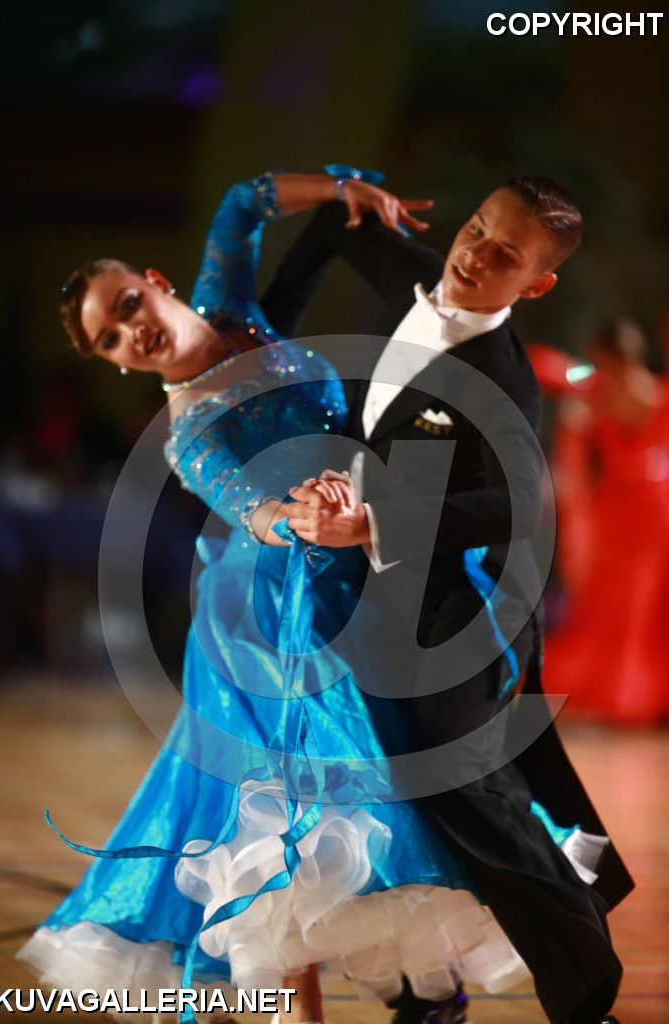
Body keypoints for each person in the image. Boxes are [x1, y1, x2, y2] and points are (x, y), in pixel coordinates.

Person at [18, 170, 549, 1024]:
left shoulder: (231, 304)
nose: (130, 330)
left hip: (361, 560)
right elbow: (249, 507)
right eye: (111, 339)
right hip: (272, 612)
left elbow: (244, 200)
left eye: (125, 304)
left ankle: (426, 991)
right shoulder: (189, 431)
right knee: (283, 810)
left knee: (389, 781)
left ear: (154, 282)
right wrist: (301, 516)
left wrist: (347, 190)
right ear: (115, 362)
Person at [257, 173, 634, 1024]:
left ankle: (587, 1001)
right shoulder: (419, 273)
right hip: (385, 594)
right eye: (476, 230)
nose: (475, 255)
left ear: (535, 284)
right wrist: (268, 340)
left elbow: (519, 505)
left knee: (458, 785)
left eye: (505, 255)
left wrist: (372, 521)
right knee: (372, 791)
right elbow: (333, 229)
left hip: (466, 609)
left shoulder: (504, 382)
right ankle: (427, 993)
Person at [535, 321, 669, 724]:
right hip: (628, 522)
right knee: (616, 614)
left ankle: (633, 697)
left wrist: (580, 375)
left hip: (644, 524)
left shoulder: (603, 391)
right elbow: (545, 365)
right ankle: (629, 696)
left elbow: (548, 366)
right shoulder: (617, 393)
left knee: (635, 613)